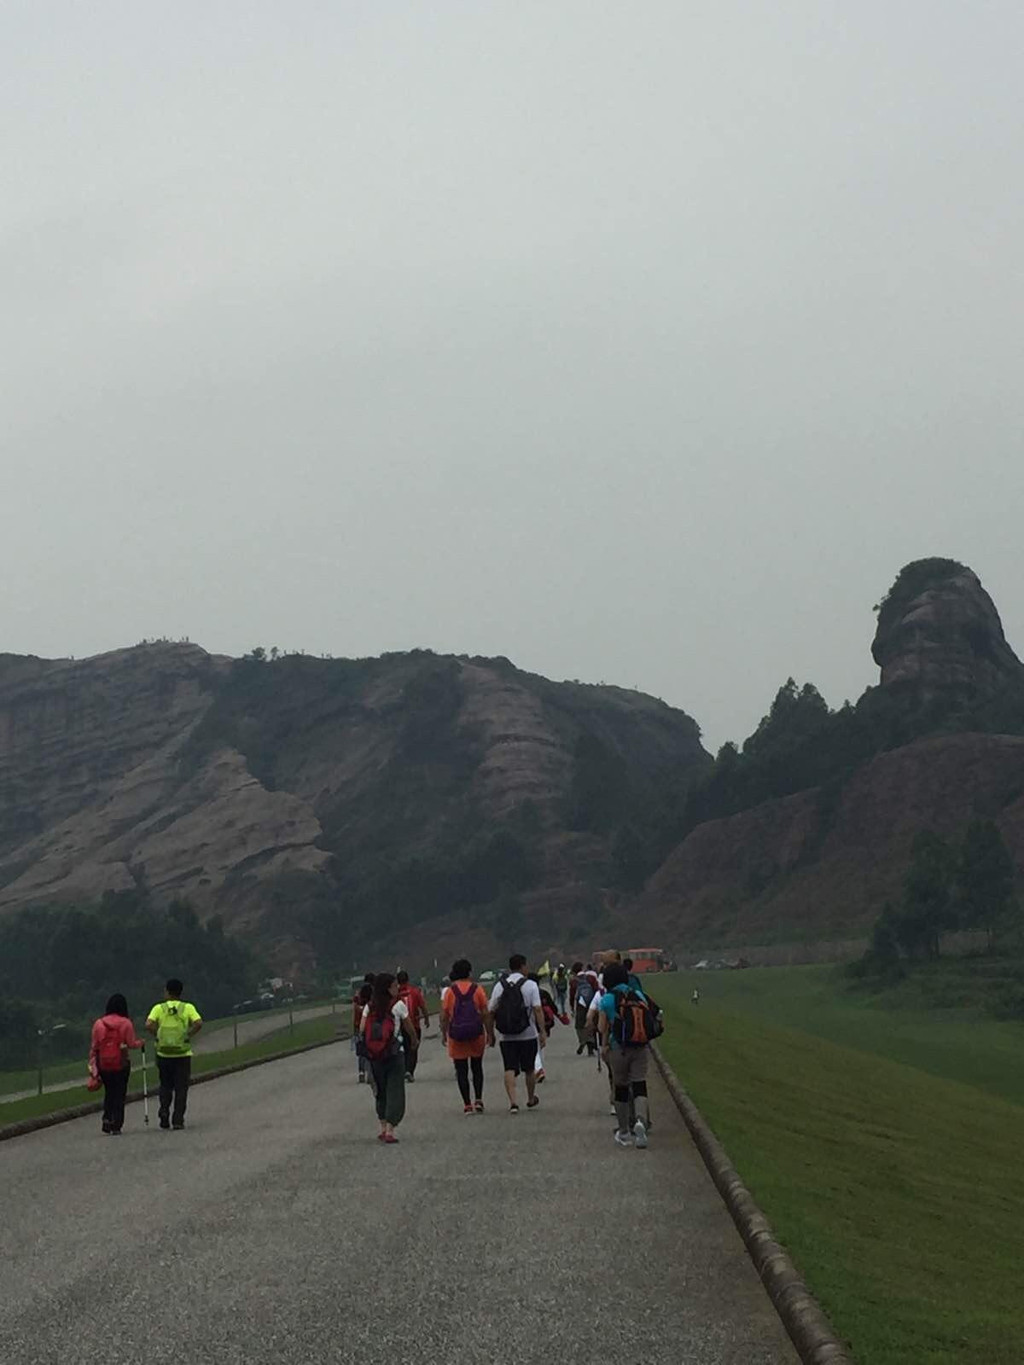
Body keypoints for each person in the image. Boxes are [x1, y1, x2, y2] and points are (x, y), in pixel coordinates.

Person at [597, 961, 654, 1149]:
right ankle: (640, 1122)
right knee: (639, 1085)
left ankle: (623, 1131)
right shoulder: (638, 994)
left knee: (621, 1088)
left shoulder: (607, 999)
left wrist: (604, 1046)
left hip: (618, 1047)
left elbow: (602, 1027)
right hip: (640, 1046)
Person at [360, 972, 418, 1143]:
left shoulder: (369, 1006)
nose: (397, 988)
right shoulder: (398, 1005)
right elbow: (409, 1027)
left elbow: (362, 1029)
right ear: (388, 988)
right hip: (394, 1053)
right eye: (394, 986)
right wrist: (414, 1042)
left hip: (374, 1055)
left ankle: (382, 1127)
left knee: (380, 1090)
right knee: (395, 1090)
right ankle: (391, 1131)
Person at [488, 954, 546, 1114]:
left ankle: (513, 1102)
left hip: (506, 1035)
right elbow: (538, 1009)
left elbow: (491, 1011)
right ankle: (530, 1097)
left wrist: (490, 1033)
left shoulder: (499, 986)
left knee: (509, 1067)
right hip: (528, 1033)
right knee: (528, 1068)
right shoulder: (531, 985)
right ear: (523, 966)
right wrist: (542, 1031)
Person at [146, 978, 202, 1131]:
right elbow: (198, 1023)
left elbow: (148, 1024)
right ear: (180, 992)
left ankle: (164, 1109)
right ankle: (178, 1119)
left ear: (167, 991)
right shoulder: (187, 1007)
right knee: (181, 1087)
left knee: (165, 1085)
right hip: (182, 1053)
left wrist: (157, 1036)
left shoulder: (159, 1008)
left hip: (163, 1053)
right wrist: (187, 1035)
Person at [439, 958, 492, 1114]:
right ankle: (479, 1099)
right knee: (477, 1067)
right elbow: (485, 1013)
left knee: (461, 1070)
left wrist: (444, 1033)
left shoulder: (450, 992)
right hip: (476, 1034)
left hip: (456, 1036)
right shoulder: (477, 989)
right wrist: (489, 1032)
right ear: (469, 972)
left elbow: (444, 1016)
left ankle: (467, 1104)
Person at [90, 993, 144, 1135]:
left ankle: (107, 1118)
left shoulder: (99, 1024)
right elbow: (131, 1044)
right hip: (121, 1063)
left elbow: (95, 1046)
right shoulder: (126, 1023)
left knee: (109, 1092)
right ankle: (116, 1123)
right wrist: (141, 1043)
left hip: (104, 1063)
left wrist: (93, 1065)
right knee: (119, 1093)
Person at [396, 970, 430, 1082]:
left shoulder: (395, 993)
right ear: (408, 979)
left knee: (404, 1049)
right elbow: (423, 1006)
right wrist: (426, 1019)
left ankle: (404, 1069)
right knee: (413, 1048)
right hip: (414, 1025)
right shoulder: (415, 992)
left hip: (400, 1026)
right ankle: (409, 1071)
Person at [574, 965, 600, 1056]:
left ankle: (582, 1041)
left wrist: (572, 1009)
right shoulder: (591, 981)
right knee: (589, 1025)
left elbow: (573, 997)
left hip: (580, 1007)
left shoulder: (575, 983)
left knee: (579, 1026)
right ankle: (590, 1049)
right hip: (590, 1006)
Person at [352, 980, 373, 1082]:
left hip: (358, 1028)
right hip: (367, 1028)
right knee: (369, 1050)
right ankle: (369, 1072)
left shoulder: (357, 1003)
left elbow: (356, 1008)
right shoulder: (369, 1005)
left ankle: (361, 1071)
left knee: (361, 1051)